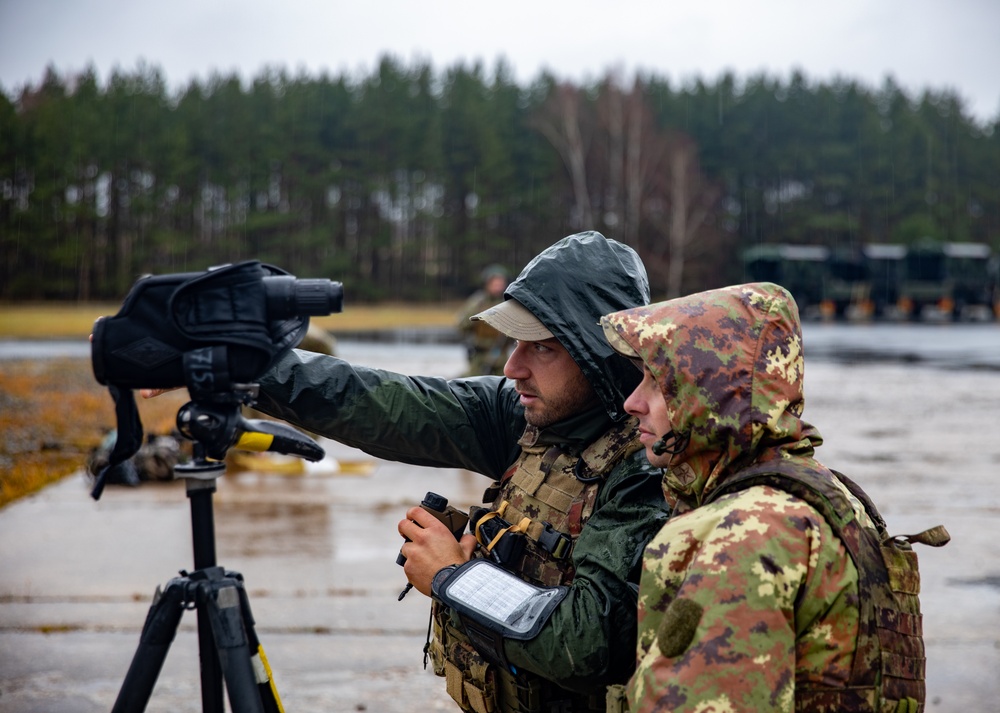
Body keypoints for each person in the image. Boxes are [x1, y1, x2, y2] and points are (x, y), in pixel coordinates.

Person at [251, 231, 670, 713]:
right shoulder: (524, 415)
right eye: (516, 343)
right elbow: (384, 402)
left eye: (542, 349)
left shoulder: (646, 463)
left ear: (599, 357)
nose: (513, 367)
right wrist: (247, 371)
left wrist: (453, 576)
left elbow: (589, 642)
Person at [598, 282, 950, 713]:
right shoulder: (822, 490)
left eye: (657, 382)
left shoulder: (747, 532)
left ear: (709, 396)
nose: (633, 402)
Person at [456, 264, 516, 376]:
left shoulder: (508, 303)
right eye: (494, 283)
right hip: (479, 355)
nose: (498, 286)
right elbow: (462, 325)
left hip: (501, 355)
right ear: (487, 284)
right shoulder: (477, 302)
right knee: (472, 383)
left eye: (500, 283)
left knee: (504, 384)